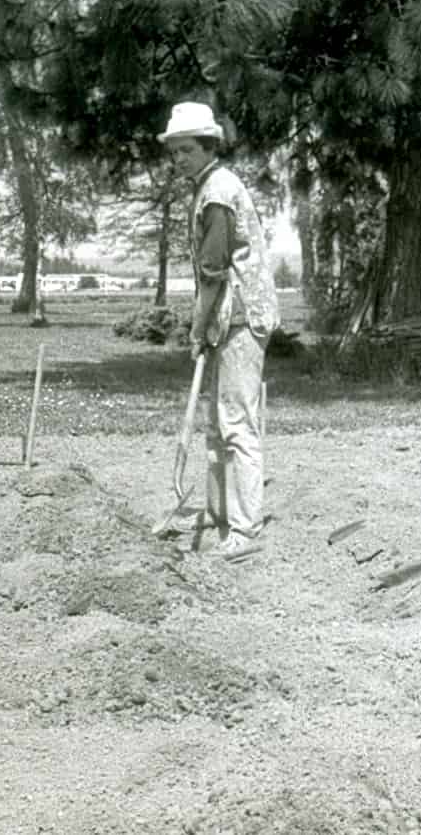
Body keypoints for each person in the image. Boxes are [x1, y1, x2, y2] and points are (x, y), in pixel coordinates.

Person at [158, 102, 280, 558]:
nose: (179, 159)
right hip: (225, 315)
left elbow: (212, 272)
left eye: (187, 150)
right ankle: (217, 512)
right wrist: (208, 324)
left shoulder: (217, 193)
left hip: (242, 316)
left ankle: (245, 530)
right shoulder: (206, 187)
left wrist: (197, 328)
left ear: (210, 147)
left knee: (236, 424)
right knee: (215, 425)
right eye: (174, 151)